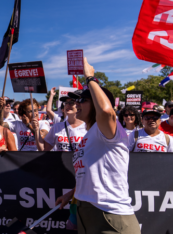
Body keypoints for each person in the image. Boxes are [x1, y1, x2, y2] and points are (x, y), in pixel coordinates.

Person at [56, 58, 140, 234]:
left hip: (110, 214)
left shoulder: (109, 129)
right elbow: (89, 174)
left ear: (96, 103)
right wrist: (71, 194)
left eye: (83, 100)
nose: (76, 104)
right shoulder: (89, 135)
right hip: (85, 212)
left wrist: (90, 78)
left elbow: (107, 111)